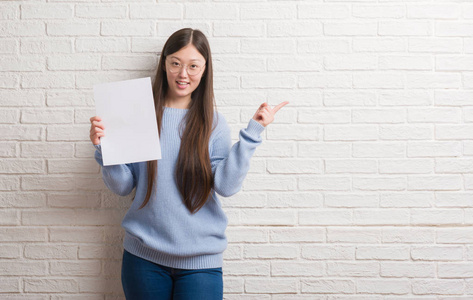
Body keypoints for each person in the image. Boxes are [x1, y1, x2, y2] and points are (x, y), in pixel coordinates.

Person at [89, 28, 288, 300]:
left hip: (201, 263)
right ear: (164, 64)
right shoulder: (138, 115)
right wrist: (104, 149)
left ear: (205, 70)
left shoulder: (214, 124)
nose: (184, 74)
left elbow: (226, 186)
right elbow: (122, 186)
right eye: (176, 64)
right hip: (143, 259)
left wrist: (253, 133)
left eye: (193, 66)